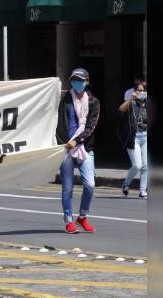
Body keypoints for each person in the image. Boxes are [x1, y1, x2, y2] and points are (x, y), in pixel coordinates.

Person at [56, 68, 100, 234]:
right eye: (74, 80)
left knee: (90, 184)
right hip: (65, 147)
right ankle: (68, 221)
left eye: (80, 80)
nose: (77, 83)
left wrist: (77, 141)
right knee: (67, 188)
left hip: (84, 147)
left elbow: (90, 127)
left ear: (87, 81)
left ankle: (82, 216)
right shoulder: (64, 98)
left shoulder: (93, 102)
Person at [118, 79, 148, 198]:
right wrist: (131, 98)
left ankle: (142, 190)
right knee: (137, 165)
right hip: (133, 137)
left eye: (142, 90)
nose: (140, 92)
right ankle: (126, 184)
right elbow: (121, 109)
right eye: (138, 90)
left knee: (146, 165)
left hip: (145, 135)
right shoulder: (130, 99)